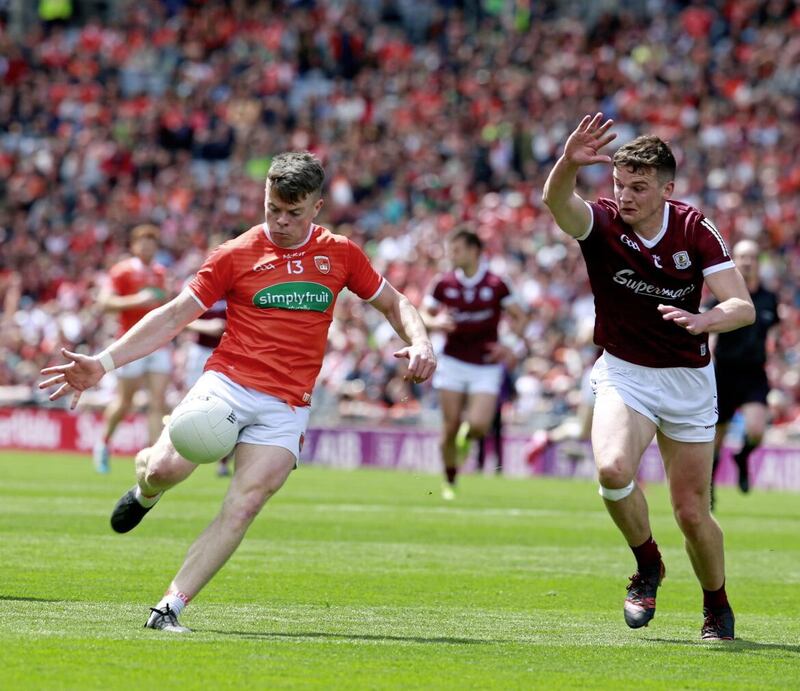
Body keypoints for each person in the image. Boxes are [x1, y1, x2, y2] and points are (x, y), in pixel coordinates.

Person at [40, 152, 436, 633]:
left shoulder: (342, 254)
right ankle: (146, 485)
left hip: (287, 405)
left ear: (317, 207)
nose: (281, 221)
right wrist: (103, 363)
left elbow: (395, 303)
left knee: (245, 503)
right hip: (227, 384)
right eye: (273, 208)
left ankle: (170, 606)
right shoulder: (235, 253)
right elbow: (173, 315)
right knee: (165, 469)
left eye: (294, 212)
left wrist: (419, 341)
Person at [542, 113, 755, 641]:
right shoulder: (602, 223)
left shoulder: (693, 228)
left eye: (639, 186)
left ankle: (716, 603)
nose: (626, 196)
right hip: (624, 372)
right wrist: (568, 162)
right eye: (619, 184)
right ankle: (648, 565)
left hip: (686, 380)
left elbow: (742, 305)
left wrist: (705, 319)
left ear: (667, 188)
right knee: (613, 470)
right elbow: (556, 203)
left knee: (691, 514)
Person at [421, 229, 527, 500]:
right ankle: (450, 480)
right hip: (453, 361)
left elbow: (520, 317)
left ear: (473, 251)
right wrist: (436, 323)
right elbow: (424, 314)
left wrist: (509, 346)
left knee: (479, 425)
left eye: (456, 250)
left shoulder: (496, 283)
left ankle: (467, 440)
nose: (451, 256)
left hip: (485, 365)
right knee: (449, 426)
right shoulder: (443, 283)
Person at [92, 224, 171, 473]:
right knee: (125, 402)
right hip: (130, 343)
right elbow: (104, 303)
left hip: (158, 343)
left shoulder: (160, 272)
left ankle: (152, 456)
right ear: (134, 246)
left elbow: (167, 309)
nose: (147, 246)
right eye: (142, 242)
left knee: (158, 401)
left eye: (152, 242)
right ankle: (104, 442)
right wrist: (135, 301)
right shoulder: (122, 271)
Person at [711, 239, 780, 505]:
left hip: (754, 373)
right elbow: (708, 330)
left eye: (752, 257)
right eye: (742, 257)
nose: (747, 262)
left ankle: (743, 456)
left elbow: (772, 329)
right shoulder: (721, 295)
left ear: (758, 262)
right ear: (735, 261)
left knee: (756, 429)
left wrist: (773, 355)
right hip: (724, 373)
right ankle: (710, 487)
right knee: (717, 437)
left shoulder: (769, 298)